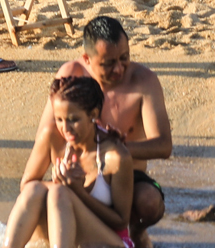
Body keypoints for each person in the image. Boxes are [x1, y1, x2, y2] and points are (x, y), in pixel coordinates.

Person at [29, 18, 172, 245]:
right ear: (87, 59)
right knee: (38, 196)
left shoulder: (144, 81)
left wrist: (116, 148)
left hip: (126, 176)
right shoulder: (70, 75)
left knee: (150, 202)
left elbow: (164, 146)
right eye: (108, 63)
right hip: (79, 169)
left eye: (124, 58)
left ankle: (135, 233)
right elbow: (47, 134)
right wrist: (64, 170)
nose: (119, 68)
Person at [3, 75, 133, 248]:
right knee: (35, 189)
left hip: (108, 241)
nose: (65, 128)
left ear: (93, 114)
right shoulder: (51, 136)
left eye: (73, 120)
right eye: (59, 119)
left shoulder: (115, 156)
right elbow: (26, 187)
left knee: (59, 194)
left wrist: (77, 192)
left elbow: (121, 221)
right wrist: (60, 183)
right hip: (66, 235)